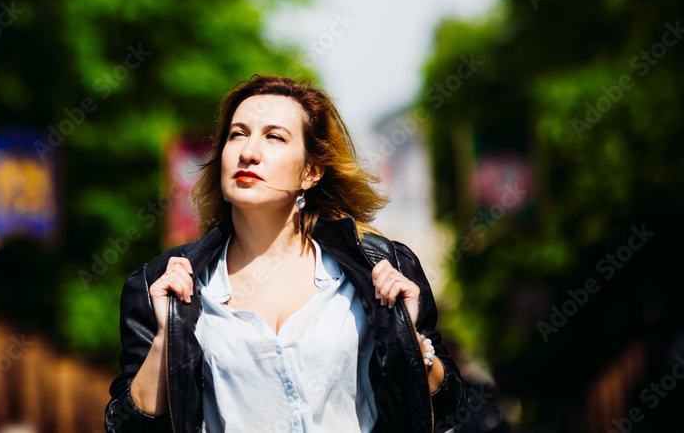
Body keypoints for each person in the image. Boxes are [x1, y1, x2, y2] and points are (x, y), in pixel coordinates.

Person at [104, 75, 467, 432]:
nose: (248, 152)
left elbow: (448, 410)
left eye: (274, 137)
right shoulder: (162, 284)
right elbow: (127, 425)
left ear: (310, 171)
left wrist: (410, 339)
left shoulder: (383, 267)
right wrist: (168, 335)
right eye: (237, 134)